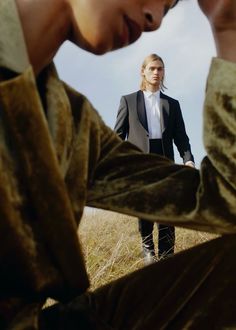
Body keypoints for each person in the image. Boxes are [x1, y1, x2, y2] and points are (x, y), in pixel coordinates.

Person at [0, 0, 235, 329]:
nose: (155, 20)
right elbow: (123, 129)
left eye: (167, 10)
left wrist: (228, 30)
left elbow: (224, 200)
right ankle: (147, 249)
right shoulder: (126, 103)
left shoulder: (76, 124)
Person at [114, 53, 195, 263]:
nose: (156, 72)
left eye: (160, 69)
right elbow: (117, 136)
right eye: (152, 68)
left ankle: (167, 260)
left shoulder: (172, 105)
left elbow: (182, 138)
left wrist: (188, 160)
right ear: (143, 71)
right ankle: (148, 252)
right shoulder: (128, 101)